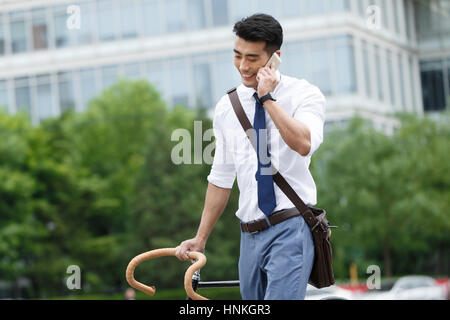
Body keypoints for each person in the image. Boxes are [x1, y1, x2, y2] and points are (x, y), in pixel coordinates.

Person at [175, 13, 326, 300]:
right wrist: (201, 238)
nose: (243, 66)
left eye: (252, 58)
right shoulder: (227, 106)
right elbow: (220, 178)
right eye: (237, 56)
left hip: (290, 227)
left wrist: (267, 98)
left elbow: (303, 143)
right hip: (248, 237)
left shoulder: (305, 94)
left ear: (274, 57)